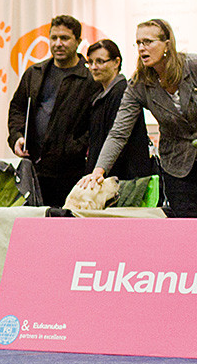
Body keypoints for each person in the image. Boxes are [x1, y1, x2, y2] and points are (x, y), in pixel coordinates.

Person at [80, 19, 197, 217]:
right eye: (139, 43)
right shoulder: (138, 84)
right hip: (177, 165)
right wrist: (99, 171)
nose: (142, 48)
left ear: (167, 44)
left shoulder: (192, 66)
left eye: (148, 42)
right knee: (186, 223)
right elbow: (118, 133)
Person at [7, 14, 100, 207]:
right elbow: (17, 108)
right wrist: (16, 137)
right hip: (34, 170)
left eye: (65, 38)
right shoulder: (35, 73)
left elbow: (97, 122)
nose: (58, 43)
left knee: (68, 228)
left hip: (73, 172)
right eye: (54, 38)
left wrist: (77, 147)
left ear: (78, 42)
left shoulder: (90, 78)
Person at [84, 39, 156, 180]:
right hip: (106, 176)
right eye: (90, 62)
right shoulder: (100, 95)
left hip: (121, 180)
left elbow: (118, 139)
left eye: (100, 61)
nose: (94, 67)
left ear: (116, 62)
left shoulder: (122, 93)